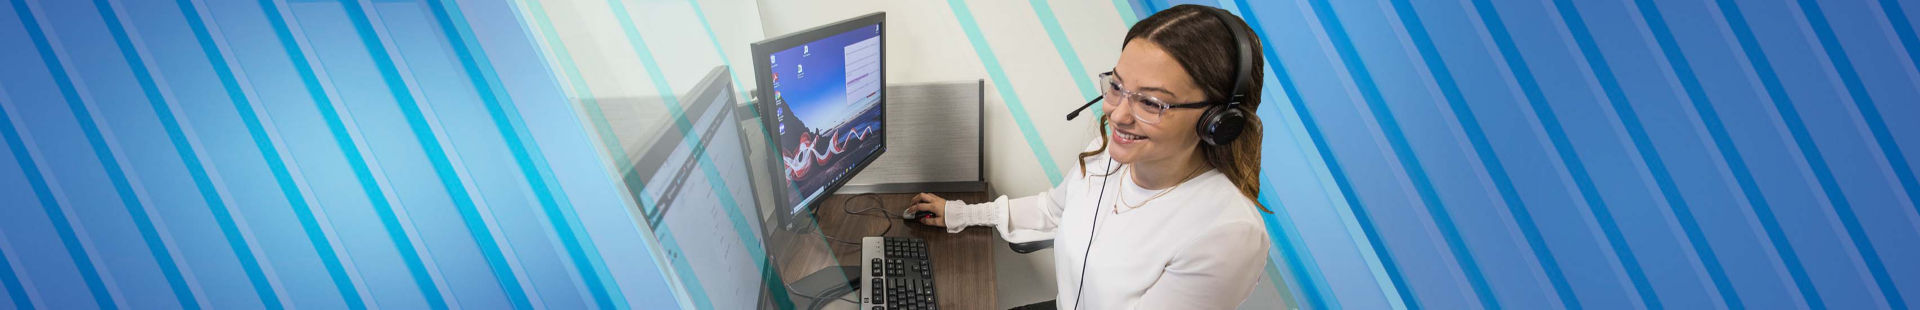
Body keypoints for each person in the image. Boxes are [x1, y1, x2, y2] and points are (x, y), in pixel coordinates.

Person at [903, 4, 1274, 309]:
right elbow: (1053, 209)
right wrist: (960, 213)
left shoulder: (1226, 234)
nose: (1117, 114)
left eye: (1151, 102)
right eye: (1116, 87)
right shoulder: (1110, 158)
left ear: (1218, 121)